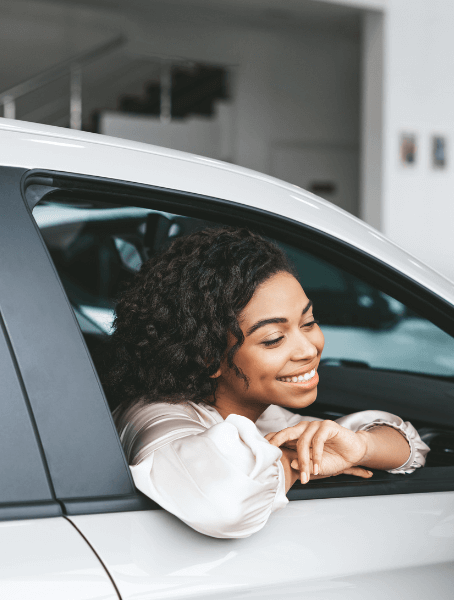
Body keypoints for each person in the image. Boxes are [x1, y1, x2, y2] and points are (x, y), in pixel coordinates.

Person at [107, 227, 429, 538]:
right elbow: (222, 501)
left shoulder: (266, 412)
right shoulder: (155, 417)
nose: (309, 349)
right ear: (209, 357)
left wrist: (362, 447)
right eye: (274, 339)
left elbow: (409, 445)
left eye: (309, 322)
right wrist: (300, 462)